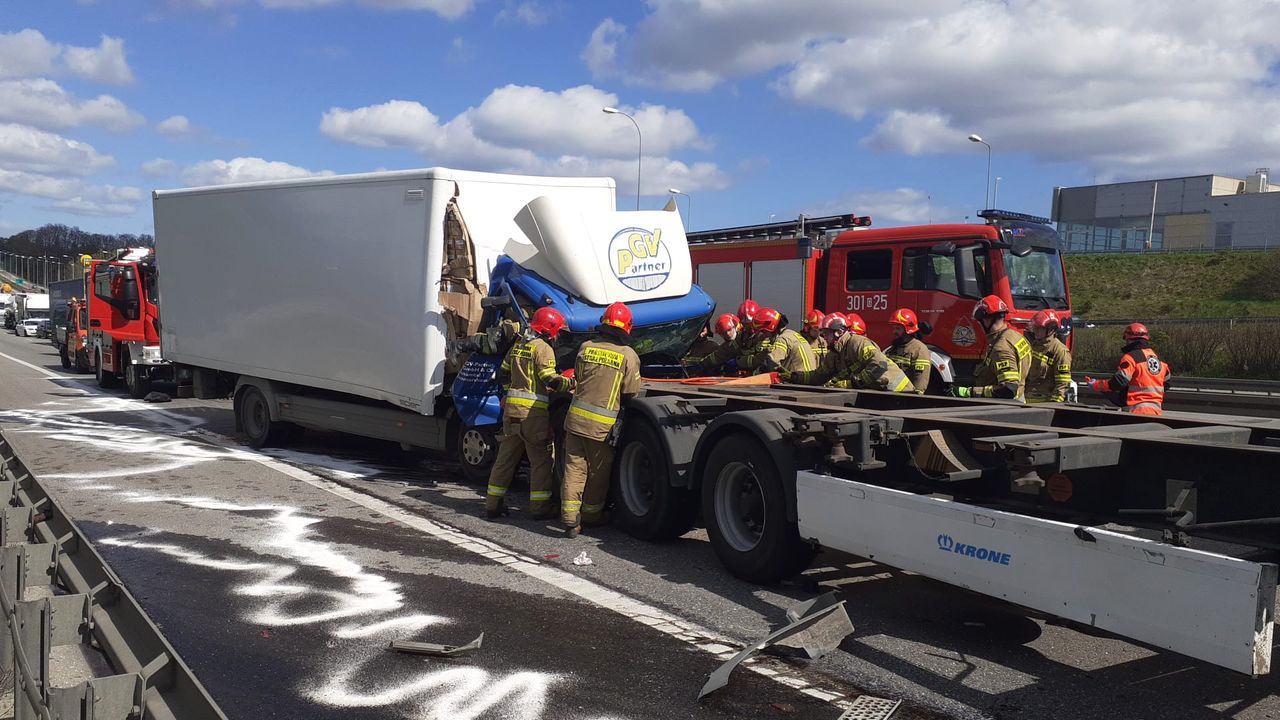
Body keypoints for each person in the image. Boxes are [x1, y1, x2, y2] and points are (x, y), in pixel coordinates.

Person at [484, 307, 576, 519]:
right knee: (541, 461)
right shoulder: (543, 348)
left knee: (505, 459)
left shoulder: (518, 344)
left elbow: (503, 372)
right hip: (533, 414)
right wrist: (570, 382)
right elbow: (549, 379)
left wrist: (507, 394)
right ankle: (540, 508)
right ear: (550, 328)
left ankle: (492, 504)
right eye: (557, 330)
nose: (558, 335)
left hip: (511, 412)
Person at [561, 302, 643, 537]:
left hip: (575, 420)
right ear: (627, 327)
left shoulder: (585, 347)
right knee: (598, 473)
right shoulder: (628, 355)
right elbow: (630, 392)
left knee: (574, 469)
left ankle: (569, 519)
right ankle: (591, 515)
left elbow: (577, 376)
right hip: (601, 427)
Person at [794, 313, 912, 391]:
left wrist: (852, 383)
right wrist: (793, 377)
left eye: (826, 333)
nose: (823, 337)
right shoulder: (835, 353)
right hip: (883, 394)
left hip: (900, 392)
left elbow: (880, 365)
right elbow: (819, 376)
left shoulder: (857, 343)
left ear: (839, 332)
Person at [953, 295, 1031, 400]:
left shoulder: (1001, 348)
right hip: (1020, 399)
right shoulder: (1017, 337)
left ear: (987, 320)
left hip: (1003, 407)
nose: (980, 326)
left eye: (980, 322)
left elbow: (1008, 389)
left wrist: (969, 391)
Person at [1085, 322, 1170, 415]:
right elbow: (1166, 384)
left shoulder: (1131, 357)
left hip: (1135, 411)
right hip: (1156, 411)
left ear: (1129, 340)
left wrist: (1096, 385)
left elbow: (1118, 382)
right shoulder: (1160, 360)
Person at [689, 300, 762, 374]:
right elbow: (722, 353)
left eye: (750, 323)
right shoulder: (742, 337)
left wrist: (737, 362)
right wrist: (702, 364)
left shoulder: (764, 336)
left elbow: (761, 359)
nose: (748, 326)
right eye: (744, 323)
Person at [748, 307, 817, 375]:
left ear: (771, 328)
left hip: (799, 383)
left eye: (764, 331)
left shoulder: (782, 339)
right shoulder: (792, 334)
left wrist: (756, 373)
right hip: (809, 380)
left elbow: (772, 362)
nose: (765, 335)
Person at [1025, 309, 1072, 403]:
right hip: (1026, 400)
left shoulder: (1060, 351)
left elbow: (1063, 384)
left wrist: (1053, 406)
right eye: (1035, 328)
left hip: (1045, 404)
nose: (1035, 331)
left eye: (1039, 328)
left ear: (1051, 329)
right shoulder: (1032, 346)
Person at [885, 308, 931, 394]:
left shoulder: (919, 349)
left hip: (906, 398)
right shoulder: (893, 348)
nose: (894, 331)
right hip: (891, 396)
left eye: (898, 328)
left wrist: (914, 399)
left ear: (908, 330)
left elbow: (919, 383)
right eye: (893, 328)